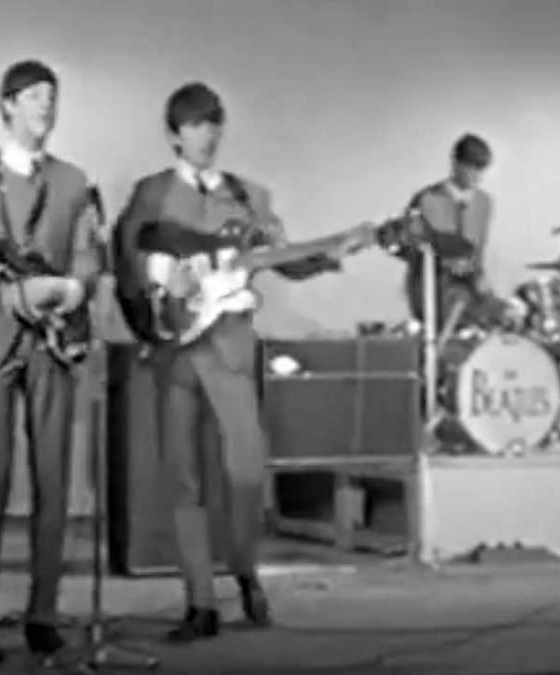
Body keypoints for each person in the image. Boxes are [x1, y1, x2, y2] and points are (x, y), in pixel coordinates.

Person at [112, 82, 355, 642]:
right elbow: (126, 254)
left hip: (230, 346)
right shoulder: (151, 192)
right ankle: (199, 601)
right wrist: (155, 291)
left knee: (246, 474)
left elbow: (282, 258)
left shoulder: (250, 197)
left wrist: (328, 256)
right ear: (175, 134)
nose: (208, 134)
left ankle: (245, 570)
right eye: (196, 125)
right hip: (174, 349)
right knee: (183, 480)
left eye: (213, 123)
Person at [0, 59, 102, 664]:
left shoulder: (73, 180)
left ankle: (42, 612)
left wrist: (72, 292)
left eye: (52, 97)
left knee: (55, 484)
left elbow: (87, 257)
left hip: (51, 342)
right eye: (34, 96)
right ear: (7, 104)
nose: (45, 106)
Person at [400, 133, 495, 331]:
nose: (477, 176)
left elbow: (479, 251)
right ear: (455, 164)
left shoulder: (484, 203)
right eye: (471, 167)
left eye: (481, 169)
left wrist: (483, 289)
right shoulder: (426, 199)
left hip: (470, 293)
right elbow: (407, 246)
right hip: (432, 293)